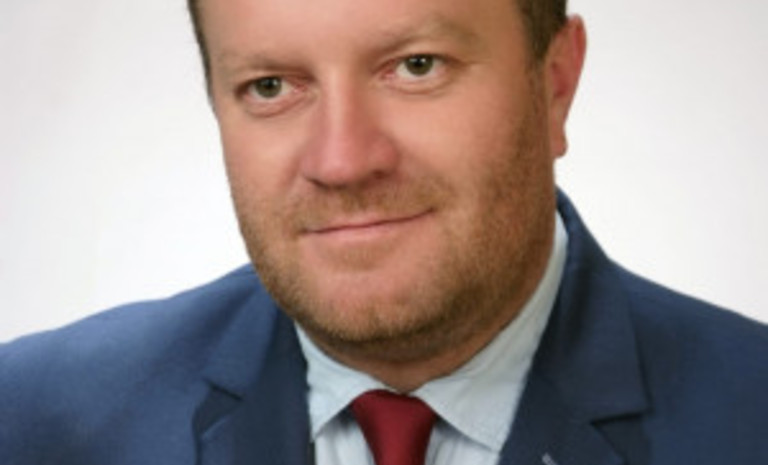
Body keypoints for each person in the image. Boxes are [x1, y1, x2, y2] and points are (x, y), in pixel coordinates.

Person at [1, 0, 766, 463]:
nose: (342, 161)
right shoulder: (29, 421)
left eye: (417, 66)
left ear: (555, 83)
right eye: (270, 85)